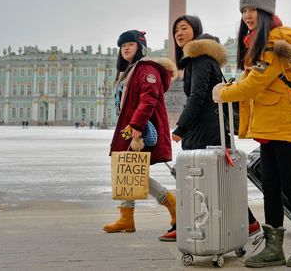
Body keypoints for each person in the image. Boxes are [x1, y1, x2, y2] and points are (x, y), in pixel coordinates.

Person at [213, 0, 291, 268]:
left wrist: (222, 92)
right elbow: (253, 82)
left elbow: (253, 85)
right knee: (272, 186)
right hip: (270, 123)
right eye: (243, 11)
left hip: (285, 123)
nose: (247, 16)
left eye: (252, 10)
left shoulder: (276, 43)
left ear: (265, 12)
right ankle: (274, 247)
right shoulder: (259, 43)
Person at [170, 14, 261, 238]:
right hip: (212, 129)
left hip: (206, 132)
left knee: (198, 182)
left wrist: (181, 127)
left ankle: (190, 227)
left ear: (196, 31)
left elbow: (198, 96)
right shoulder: (203, 59)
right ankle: (247, 224)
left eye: (184, 28)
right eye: (176, 31)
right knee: (221, 182)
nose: (179, 34)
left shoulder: (199, 59)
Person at [103, 30, 179, 242]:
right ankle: (126, 218)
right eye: (123, 45)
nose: (126, 48)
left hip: (139, 130)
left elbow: (149, 98)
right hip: (128, 129)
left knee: (134, 172)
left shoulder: (145, 69)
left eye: (130, 44)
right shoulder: (129, 71)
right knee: (127, 170)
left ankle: (174, 206)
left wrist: (137, 124)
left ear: (140, 47)